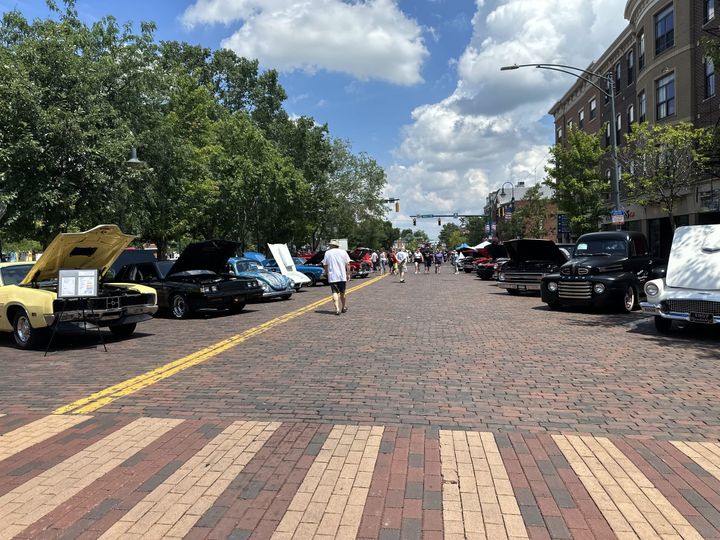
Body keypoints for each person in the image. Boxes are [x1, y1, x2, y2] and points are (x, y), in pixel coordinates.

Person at [322, 240, 351, 315]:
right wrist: (348, 274)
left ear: (331, 245)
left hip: (332, 276)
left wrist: (327, 272)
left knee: (334, 292)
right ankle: (343, 307)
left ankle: (337, 309)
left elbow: (325, 264)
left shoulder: (327, 253)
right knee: (342, 292)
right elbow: (348, 264)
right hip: (342, 276)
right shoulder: (343, 252)